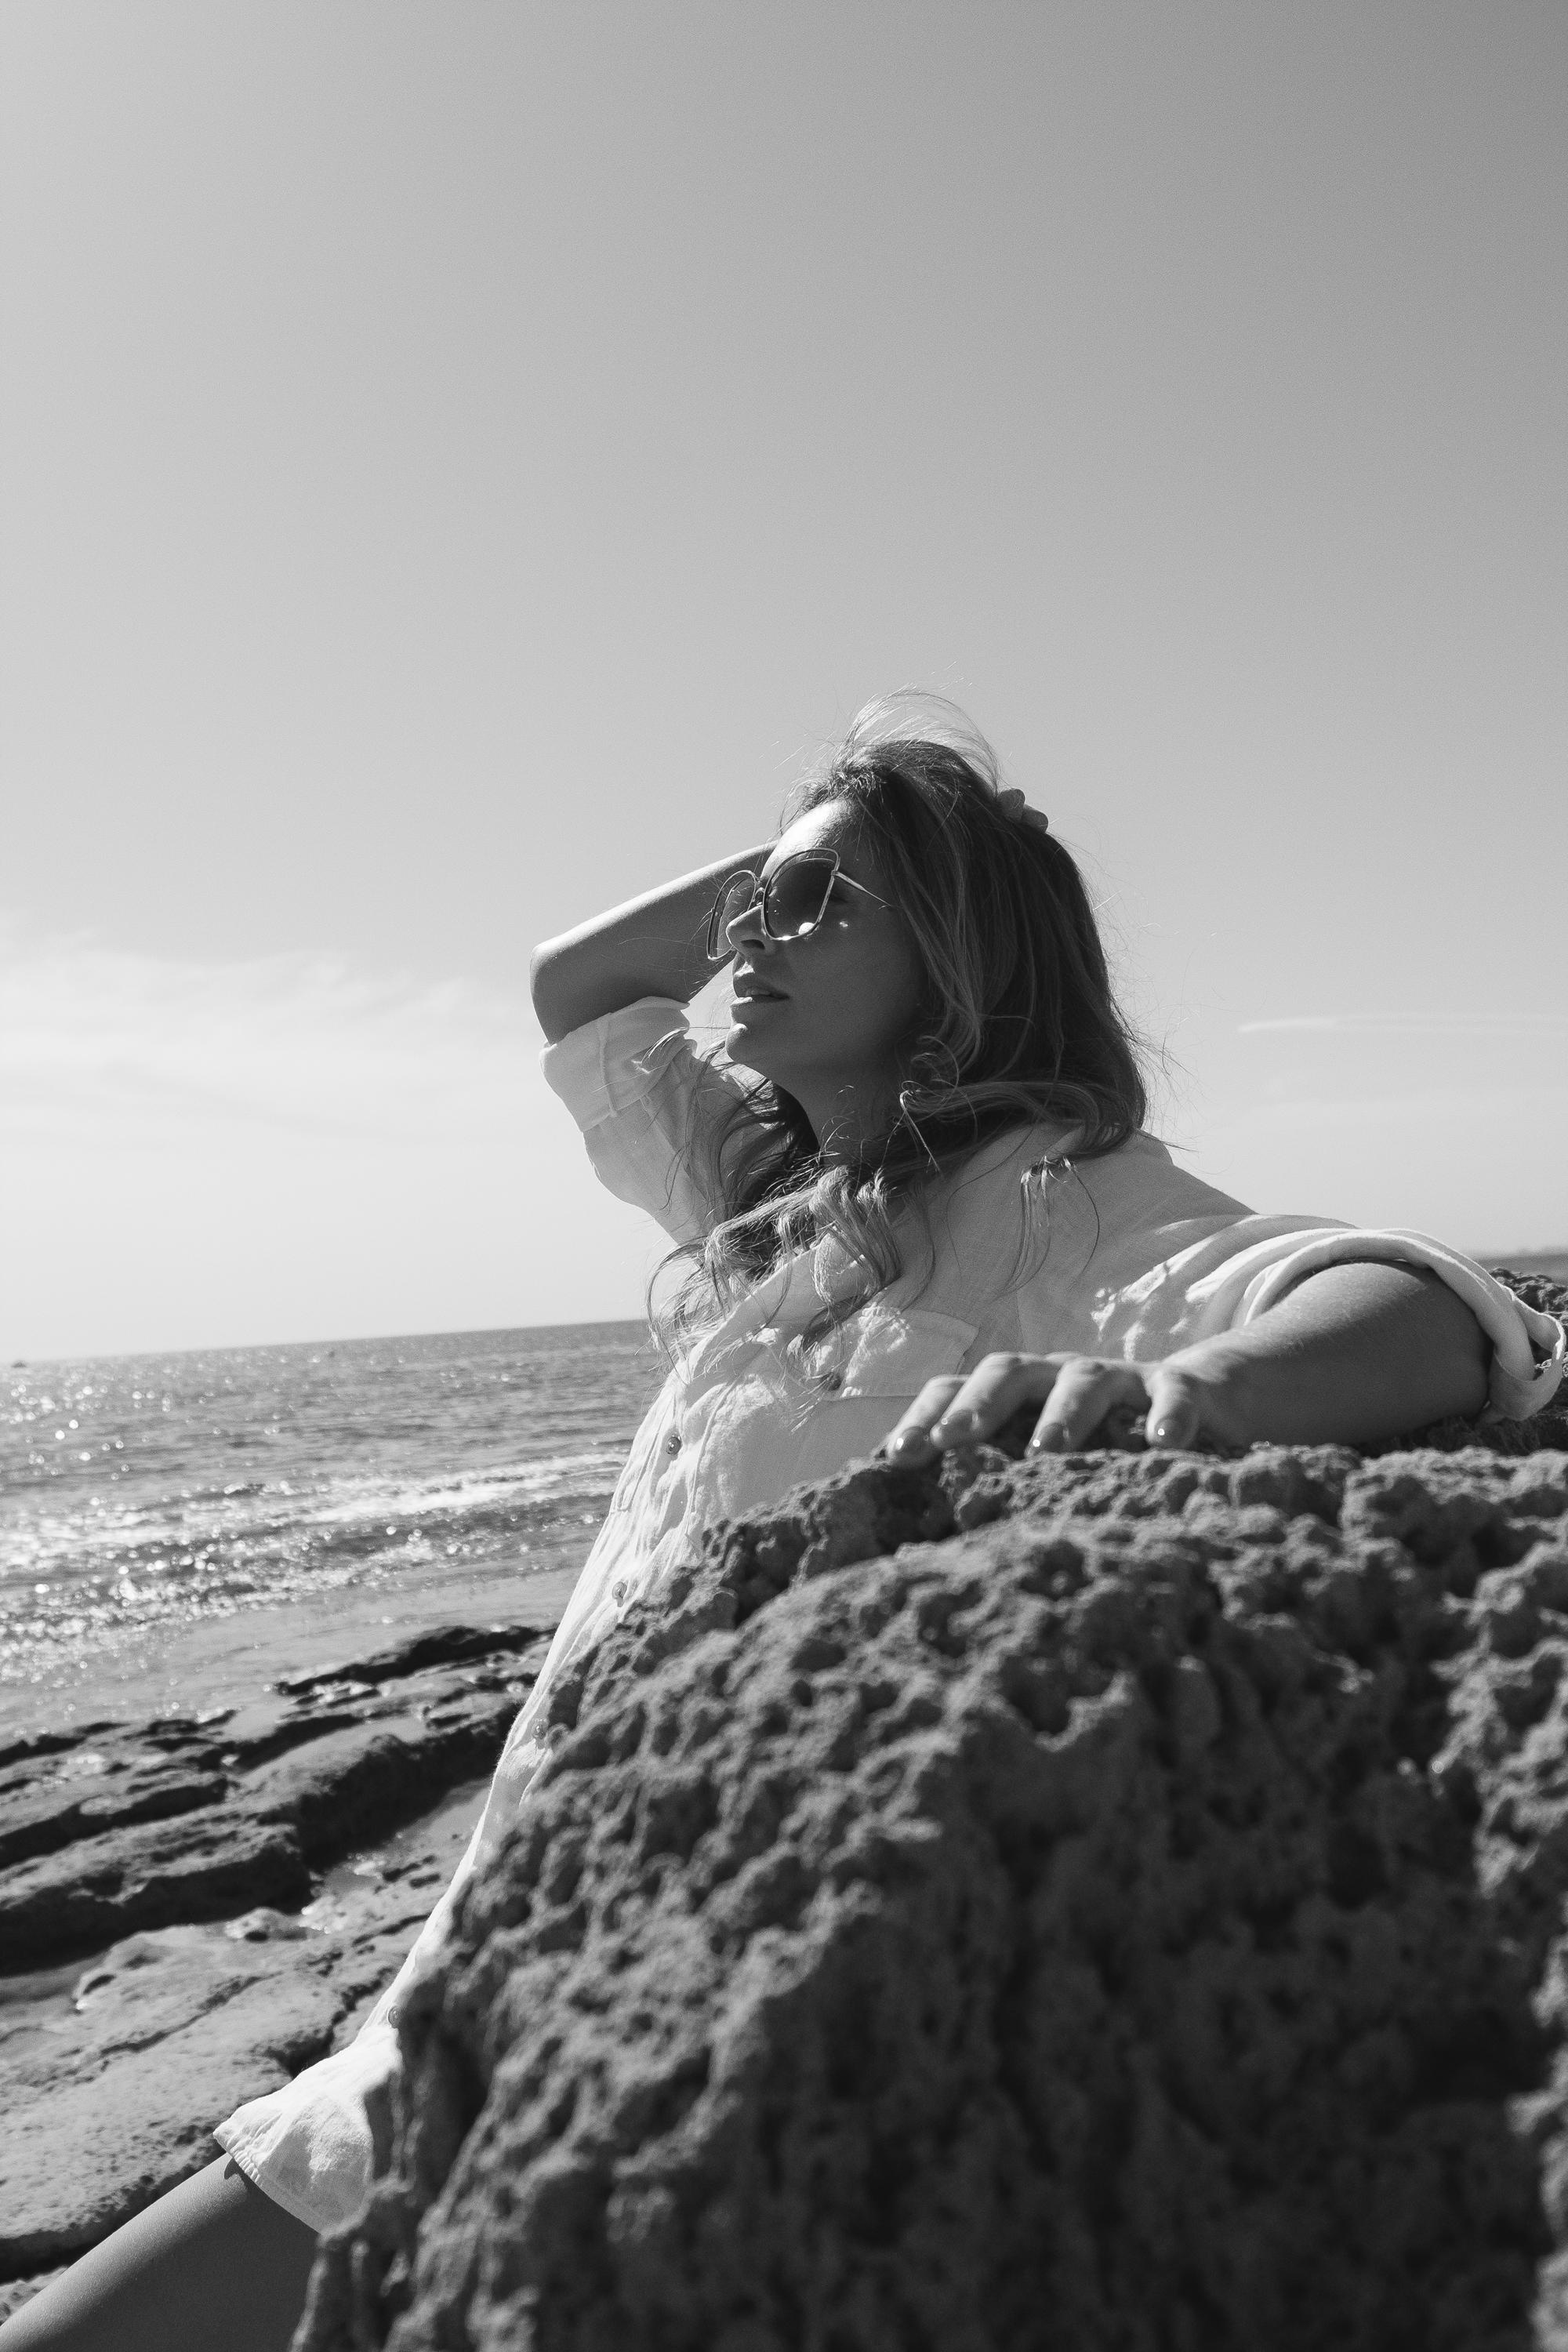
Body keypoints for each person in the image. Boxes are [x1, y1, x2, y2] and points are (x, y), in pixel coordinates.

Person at [7, 694, 1561, 2350]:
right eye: (765, 902)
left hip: (699, 1996)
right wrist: (835, 842)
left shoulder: (1068, 1199)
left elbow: (1415, 1304)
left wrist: (1195, 1393)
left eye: (825, 907)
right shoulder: (775, 1204)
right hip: (500, 1957)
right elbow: (580, 987)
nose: (759, 928)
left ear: (961, 962)